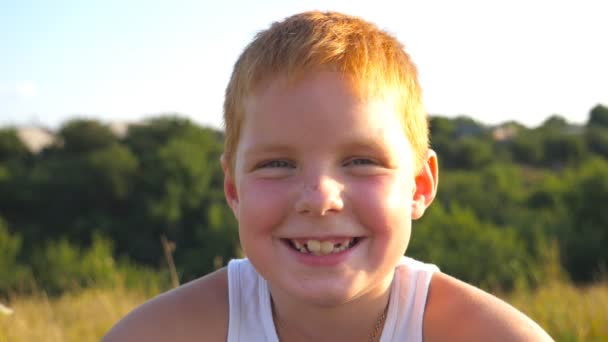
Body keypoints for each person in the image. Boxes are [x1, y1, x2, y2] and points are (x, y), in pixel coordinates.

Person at [103, 11, 553, 341]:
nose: (320, 198)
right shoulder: (163, 334)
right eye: (277, 164)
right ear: (233, 189)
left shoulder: (489, 336)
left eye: (361, 161)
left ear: (419, 185)